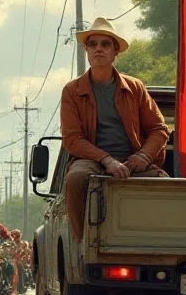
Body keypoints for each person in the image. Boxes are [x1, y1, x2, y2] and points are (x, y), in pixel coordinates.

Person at [59, 17, 170, 243]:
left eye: (105, 44)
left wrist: (143, 156)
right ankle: (83, 244)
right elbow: (72, 139)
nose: (98, 49)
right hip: (92, 159)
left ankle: (161, 245)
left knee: (164, 183)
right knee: (76, 179)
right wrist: (107, 160)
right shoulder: (72, 90)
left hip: (132, 158)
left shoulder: (135, 87)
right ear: (86, 51)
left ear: (115, 51)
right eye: (93, 44)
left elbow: (159, 129)